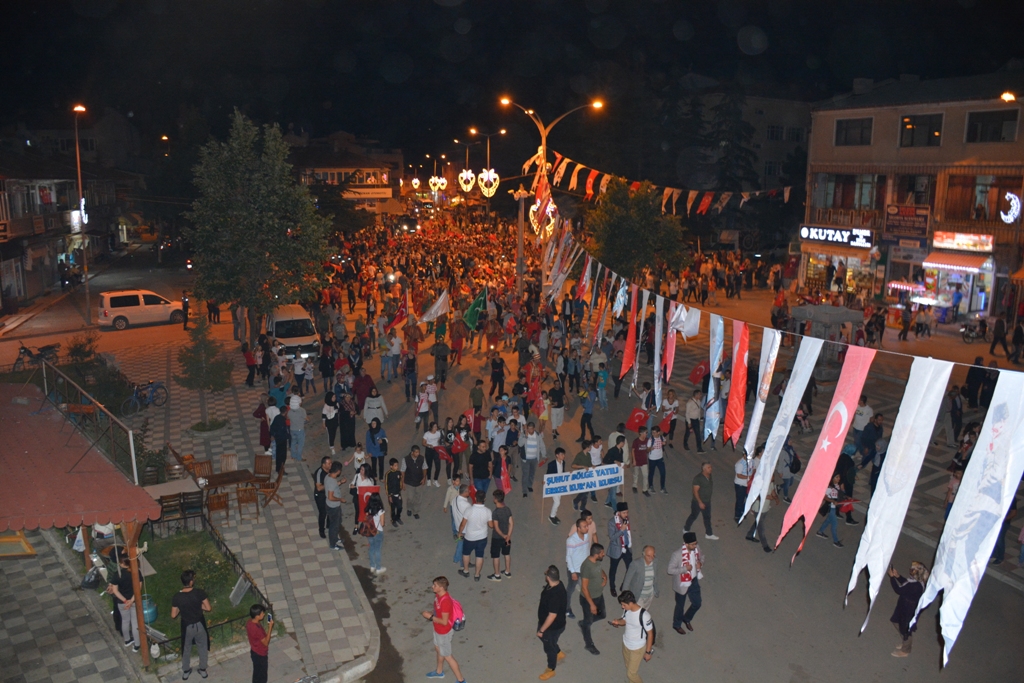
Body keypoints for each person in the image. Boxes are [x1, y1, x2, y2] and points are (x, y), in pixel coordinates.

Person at [609, 590, 655, 683]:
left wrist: (648, 652)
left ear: (630, 603)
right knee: (628, 667)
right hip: (626, 644)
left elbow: (650, 634)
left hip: (637, 648)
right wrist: (618, 622)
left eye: (623, 605)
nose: (622, 607)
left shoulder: (644, 615)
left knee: (631, 674)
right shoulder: (627, 610)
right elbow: (624, 620)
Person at [887, 562, 930, 657]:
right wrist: (898, 576)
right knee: (897, 622)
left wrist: (892, 578)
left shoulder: (915, 586)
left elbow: (899, 590)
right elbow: (906, 583)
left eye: (912, 569)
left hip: (907, 610)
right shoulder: (916, 582)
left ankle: (906, 650)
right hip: (904, 607)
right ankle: (906, 642)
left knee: (905, 629)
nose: (910, 569)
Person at [536, 565, 568, 681]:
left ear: (548, 577)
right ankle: (558, 652)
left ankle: (551, 669)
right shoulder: (558, 584)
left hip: (551, 627)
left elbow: (552, 616)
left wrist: (542, 630)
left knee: (549, 648)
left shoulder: (555, 596)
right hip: (550, 624)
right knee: (547, 640)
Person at [668, 531, 703, 634]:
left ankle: (686, 618)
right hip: (682, 584)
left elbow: (702, 557)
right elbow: (670, 570)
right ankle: (677, 625)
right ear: (686, 544)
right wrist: (684, 569)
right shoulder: (677, 555)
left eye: (695, 543)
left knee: (697, 603)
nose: (695, 546)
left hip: (693, 581)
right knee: (680, 606)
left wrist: (700, 563)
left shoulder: (696, 548)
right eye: (692, 544)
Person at [107, 555, 141, 653]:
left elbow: (115, 591)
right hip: (134, 601)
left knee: (125, 621)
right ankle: (137, 644)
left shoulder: (117, 574)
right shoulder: (136, 572)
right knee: (135, 622)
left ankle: (127, 640)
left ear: (122, 564)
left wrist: (125, 601)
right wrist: (131, 600)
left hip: (122, 602)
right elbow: (138, 589)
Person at [578, 543, 607, 655]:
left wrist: (605, 577)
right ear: (596, 554)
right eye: (602, 553)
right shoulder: (587, 566)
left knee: (602, 615)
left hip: (598, 595)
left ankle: (584, 622)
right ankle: (589, 644)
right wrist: (592, 605)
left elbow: (600, 570)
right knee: (588, 622)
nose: (604, 554)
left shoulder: (597, 561)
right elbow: (584, 588)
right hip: (588, 599)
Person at [459, 490, 492, 581]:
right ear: (485, 499)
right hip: (482, 537)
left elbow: (463, 524)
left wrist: (459, 533)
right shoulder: (488, 511)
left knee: (466, 554)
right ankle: (477, 575)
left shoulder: (469, 510)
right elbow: (491, 525)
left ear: (475, 498)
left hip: (470, 537)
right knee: (479, 555)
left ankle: (466, 571)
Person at [565, 517, 593, 620]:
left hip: (585, 568)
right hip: (575, 570)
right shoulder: (571, 540)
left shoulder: (586, 536)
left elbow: (587, 551)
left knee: (586, 587)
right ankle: (566, 608)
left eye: (587, 526)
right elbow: (568, 557)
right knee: (570, 589)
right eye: (584, 526)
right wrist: (573, 572)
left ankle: (589, 606)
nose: (587, 528)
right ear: (578, 528)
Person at [684, 462, 717, 540]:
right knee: (694, 515)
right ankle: (686, 528)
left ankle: (709, 534)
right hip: (698, 502)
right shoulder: (698, 478)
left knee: (707, 518)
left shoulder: (709, 476)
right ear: (704, 469)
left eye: (711, 467)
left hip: (707, 501)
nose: (711, 469)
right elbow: (695, 491)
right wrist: (700, 502)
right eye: (709, 467)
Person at [621, 545, 659, 610]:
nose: (651, 558)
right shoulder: (635, 564)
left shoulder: (655, 561)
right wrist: (625, 597)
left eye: (653, 555)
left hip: (649, 594)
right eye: (648, 556)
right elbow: (627, 580)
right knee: (637, 612)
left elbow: (655, 576)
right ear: (643, 554)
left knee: (644, 610)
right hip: (639, 596)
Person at [487, 489, 514, 580]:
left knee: (496, 556)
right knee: (507, 554)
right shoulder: (507, 509)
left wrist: (503, 536)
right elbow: (511, 523)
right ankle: (507, 571)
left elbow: (496, 527)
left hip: (497, 538)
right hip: (507, 537)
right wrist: (508, 536)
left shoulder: (495, 512)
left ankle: (497, 575)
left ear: (495, 499)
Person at [607, 502, 632, 597]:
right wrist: (621, 530)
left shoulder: (626, 520)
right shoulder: (612, 522)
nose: (626, 514)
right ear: (619, 512)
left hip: (626, 547)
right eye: (624, 513)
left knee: (630, 568)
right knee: (613, 570)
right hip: (616, 549)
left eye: (627, 512)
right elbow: (612, 537)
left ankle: (624, 585)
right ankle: (612, 587)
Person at [815, 472, 845, 548]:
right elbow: (824, 497)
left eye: (839, 477)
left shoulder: (837, 485)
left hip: (834, 508)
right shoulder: (830, 488)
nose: (839, 479)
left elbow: (839, 495)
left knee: (828, 520)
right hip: (831, 507)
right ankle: (836, 541)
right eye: (837, 477)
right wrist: (832, 501)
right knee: (834, 524)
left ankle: (820, 531)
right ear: (832, 478)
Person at [247, 604, 273, 683]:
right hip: (260, 654)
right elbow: (266, 643)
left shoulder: (249, 622)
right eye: (262, 613)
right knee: (262, 676)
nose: (264, 614)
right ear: (257, 616)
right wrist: (270, 627)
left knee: (257, 672)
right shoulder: (257, 629)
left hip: (254, 651)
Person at [324, 462, 346, 550]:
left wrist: (340, 482)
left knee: (338, 521)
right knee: (334, 526)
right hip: (333, 506)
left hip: (332, 505)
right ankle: (333, 544)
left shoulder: (328, 476)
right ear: (338, 471)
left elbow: (332, 487)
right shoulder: (332, 482)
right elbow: (330, 497)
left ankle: (335, 538)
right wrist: (340, 499)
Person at [402, 445, 427, 520]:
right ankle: (409, 508)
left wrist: (424, 478)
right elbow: (402, 471)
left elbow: (425, 468)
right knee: (410, 498)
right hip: (410, 482)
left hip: (419, 482)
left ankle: (415, 512)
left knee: (418, 498)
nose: (418, 453)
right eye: (416, 452)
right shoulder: (406, 459)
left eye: (418, 452)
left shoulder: (422, 458)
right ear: (412, 452)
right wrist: (402, 482)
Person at [364, 491, 386, 575]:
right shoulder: (380, 510)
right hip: (378, 531)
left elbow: (366, 519)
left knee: (371, 548)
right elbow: (382, 523)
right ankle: (378, 568)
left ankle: (372, 566)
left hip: (369, 531)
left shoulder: (368, 509)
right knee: (377, 550)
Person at [313, 456, 333, 539]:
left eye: (331, 463)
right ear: (323, 465)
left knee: (330, 509)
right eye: (329, 463)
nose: (331, 465)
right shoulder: (319, 473)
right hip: (320, 495)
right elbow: (319, 488)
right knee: (323, 513)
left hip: (328, 494)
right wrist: (328, 485)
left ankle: (329, 525)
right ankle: (321, 530)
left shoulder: (330, 470)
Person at [547, 448, 567, 525]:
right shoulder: (551, 464)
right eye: (562, 454)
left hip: (560, 485)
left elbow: (562, 471)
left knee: (558, 500)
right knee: (557, 502)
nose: (563, 456)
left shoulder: (563, 462)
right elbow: (548, 475)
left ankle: (554, 515)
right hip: (554, 486)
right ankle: (551, 516)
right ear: (557, 455)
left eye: (564, 454)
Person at [630, 427, 650, 497]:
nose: (646, 434)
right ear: (641, 433)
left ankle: (645, 489)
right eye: (645, 432)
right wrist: (634, 460)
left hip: (644, 461)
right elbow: (633, 450)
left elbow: (647, 450)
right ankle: (634, 486)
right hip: (637, 460)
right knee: (636, 474)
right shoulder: (636, 441)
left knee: (645, 475)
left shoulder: (647, 440)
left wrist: (649, 449)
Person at [733, 454, 753, 523]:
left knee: (747, 499)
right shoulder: (740, 464)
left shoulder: (750, 461)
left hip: (747, 484)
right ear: (744, 454)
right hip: (740, 485)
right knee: (740, 500)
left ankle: (742, 511)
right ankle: (737, 516)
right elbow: (739, 475)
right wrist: (748, 477)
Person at [384, 458, 403, 527]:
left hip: (398, 493)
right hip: (391, 495)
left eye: (397, 465)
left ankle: (398, 517)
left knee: (400, 507)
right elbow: (386, 485)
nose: (397, 467)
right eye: (395, 466)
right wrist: (389, 495)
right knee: (393, 509)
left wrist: (400, 488)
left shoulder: (398, 473)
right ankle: (393, 520)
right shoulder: (388, 474)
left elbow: (400, 481)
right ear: (391, 466)